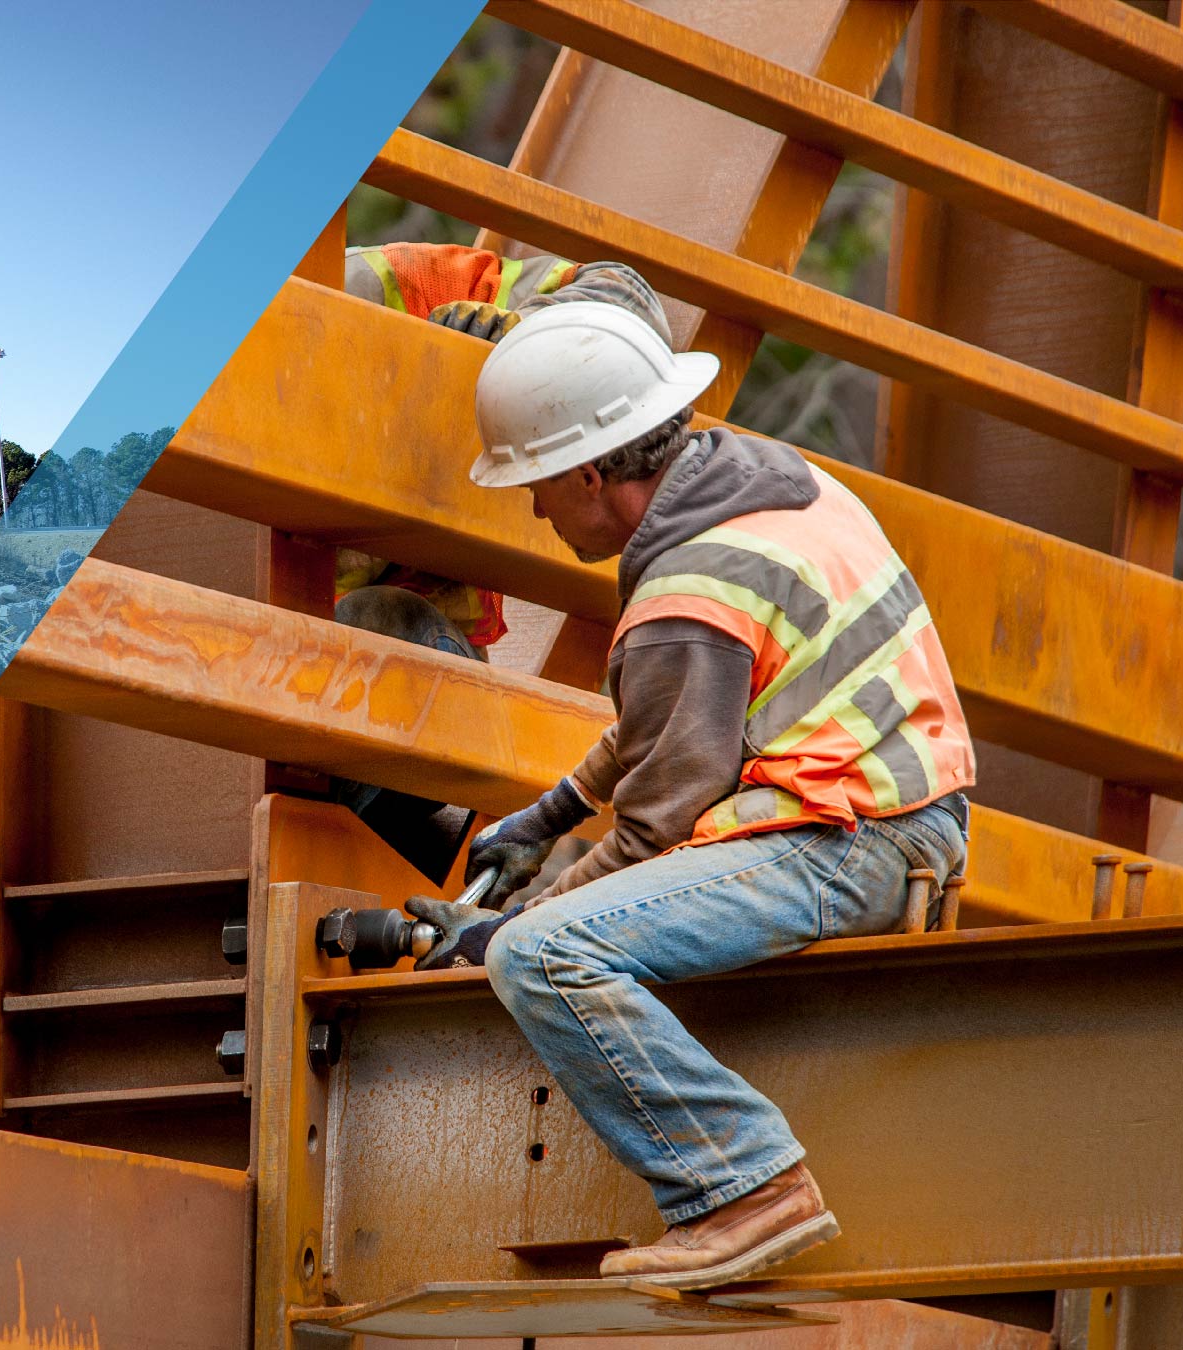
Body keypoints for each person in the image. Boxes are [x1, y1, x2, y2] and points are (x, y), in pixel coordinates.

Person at [406, 302, 975, 1289]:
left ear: (589, 472)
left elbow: (656, 827)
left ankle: (745, 1188)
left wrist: (507, 926)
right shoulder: (767, 488)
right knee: (545, 933)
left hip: (847, 841)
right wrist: (545, 819)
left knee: (544, 957)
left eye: (538, 485)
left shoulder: (683, 594)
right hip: (895, 818)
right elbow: (668, 718)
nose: (536, 510)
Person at [333, 242, 671, 879]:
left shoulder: (396, 287)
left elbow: (627, 300)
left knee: (374, 621)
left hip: (412, 671)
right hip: (290, 705)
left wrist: (533, 337)